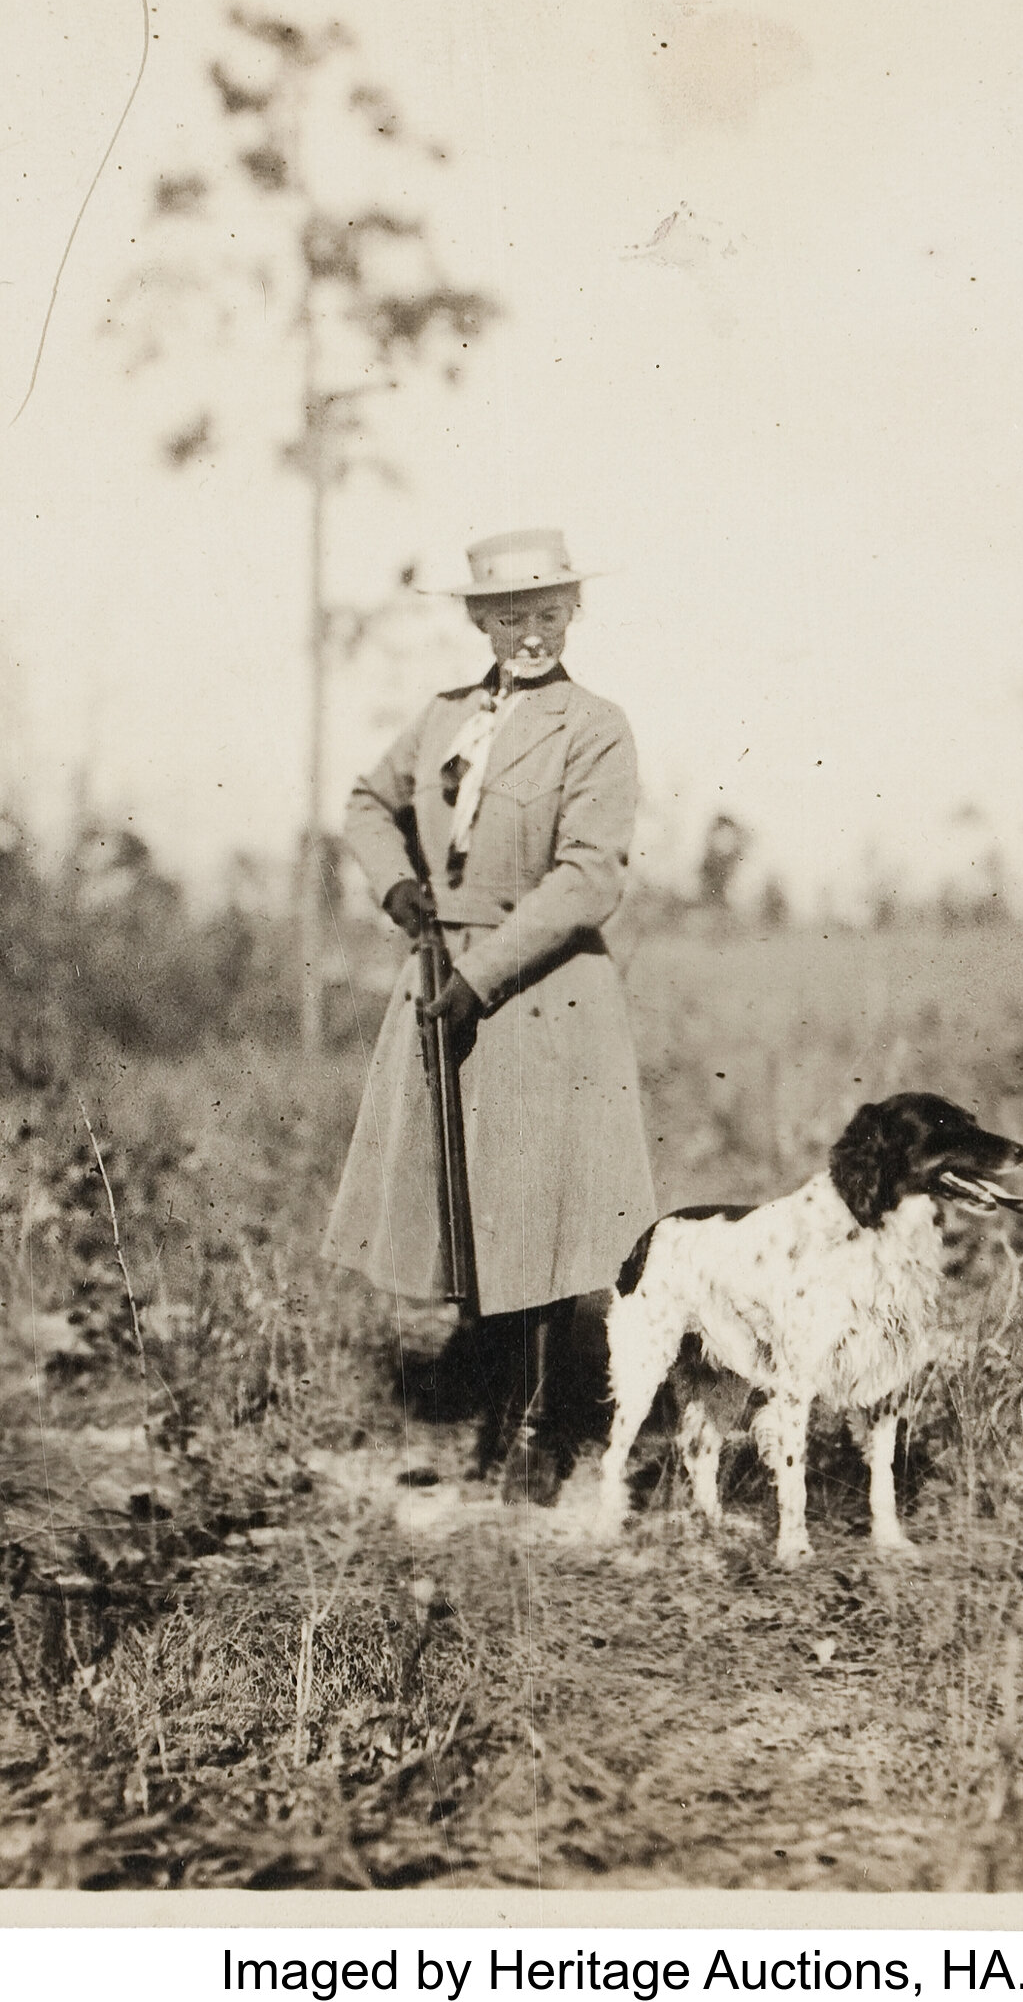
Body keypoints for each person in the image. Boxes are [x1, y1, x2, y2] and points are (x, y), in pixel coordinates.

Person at [320, 528, 657, 1499]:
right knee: (469, 1209)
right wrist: (396, 890)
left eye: (549, 611)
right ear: (477, 619)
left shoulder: (595, 726)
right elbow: (365, 803)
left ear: (574, 612)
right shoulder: (441, 718)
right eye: (511, 614)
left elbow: (589, 875)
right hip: (441, 978)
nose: (531, 632)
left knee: (547, 1216)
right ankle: (494, 1413)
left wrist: (485, 975)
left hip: (545, 988)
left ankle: (550, 1433)